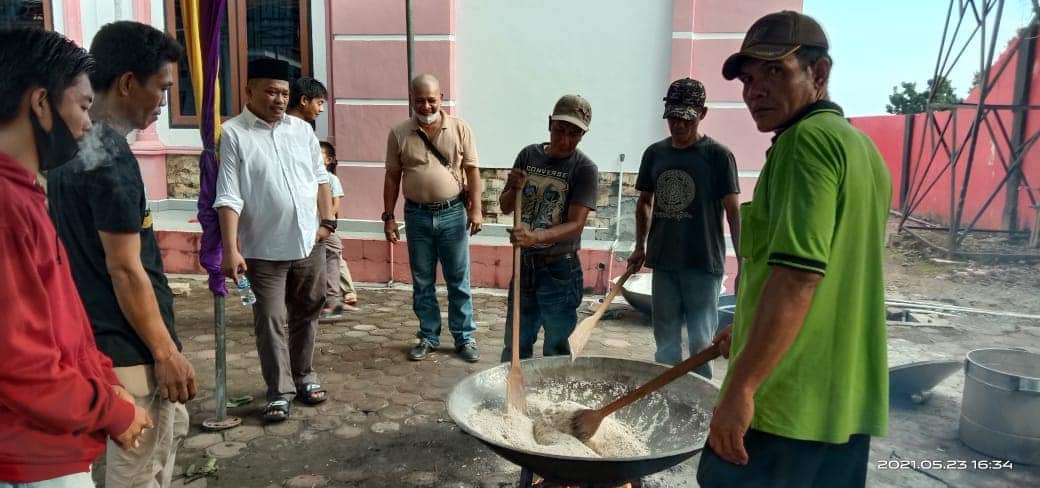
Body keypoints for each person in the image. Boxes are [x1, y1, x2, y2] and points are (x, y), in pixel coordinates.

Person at [697, 11, 890, 487]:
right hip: (842, 407)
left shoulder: (803, 143)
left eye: (774, 71)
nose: (754, 90)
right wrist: (746, 330)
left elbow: (799, 278)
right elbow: (830, 272)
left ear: (818, 73)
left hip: (784, 403)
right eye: (747, 78)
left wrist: (742, 386)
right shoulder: (861, 150)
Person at [0, 27, 150, 487]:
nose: (88, 123)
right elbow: (18, 359)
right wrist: (109, 408)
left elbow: (59, 324)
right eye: (83, 106)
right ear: (41, 103)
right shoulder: (6, 206)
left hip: (54, 440)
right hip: (31, 453)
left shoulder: (25, 193)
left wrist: (104, 380)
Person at [47, 21, 193, 488]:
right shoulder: (111, 160)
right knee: (138, 472)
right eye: (162, 88)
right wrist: (165, 351)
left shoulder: (68, 149)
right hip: (129, 350)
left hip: (92, 340)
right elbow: (126, 269)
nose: (165, 101)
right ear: (129, 83)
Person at [215, 57, 335, 422]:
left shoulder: (301, 131)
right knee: (269, 319)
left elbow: (320, 179)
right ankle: (278, 390)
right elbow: (229, 195)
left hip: (308, 244)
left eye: (284, 92)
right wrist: (231, 248)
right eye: (270, 91)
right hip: (262, 252)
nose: (279, 99)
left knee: (309, 310)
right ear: (249, 90)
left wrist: (327, 223)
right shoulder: (234, 133)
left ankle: (304, 375)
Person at [627, 78, 740, 378]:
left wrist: (744, 263)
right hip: (664, 262)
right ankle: (667, 400)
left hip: (703, 264)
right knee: (665, 344)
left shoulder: (718, 156)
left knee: (702, 343)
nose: (678, 125)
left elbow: (733, 212)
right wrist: (640, 247)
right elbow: (644, 202)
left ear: (702, 113)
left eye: (685, 119)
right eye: (673, 118)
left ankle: (699, 407)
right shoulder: (655, 154)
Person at [382, 74, 483, 362]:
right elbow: (391, 177)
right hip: (417, 217)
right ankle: (428, 336)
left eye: (431, 99)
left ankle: (464, 338)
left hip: (453, 214)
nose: (426, 106)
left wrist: (475, 209)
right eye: (420, 100)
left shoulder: (460, 128)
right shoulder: (400, 132)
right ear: (411, 98)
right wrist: (388, 217)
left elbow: (473, 171)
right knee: (422, 280)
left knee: (458, 280)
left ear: (442, 97)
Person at [498, 94, 599, 361]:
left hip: (560, 269)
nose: (565, 140)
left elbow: (576, 225)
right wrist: (514, 187)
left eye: (574, 134)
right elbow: (506, 206)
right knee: (516, 344)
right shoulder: (528, 155)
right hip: (525, 264)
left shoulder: (585, 169)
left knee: (557, 347)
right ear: (549, 123)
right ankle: (512, 397)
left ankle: (548, 401)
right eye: (560, 130)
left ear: (583, 135)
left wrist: (536, 237)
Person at [318, 140, 360, 318]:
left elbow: (335, 205)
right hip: (314, 227)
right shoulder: (309, 176)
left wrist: (326, 221)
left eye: (318, 154)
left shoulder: (331, 179)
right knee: (332, 258)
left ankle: (335, 300)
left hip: (325, 227)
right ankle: (334, 301)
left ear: (328, 160)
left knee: (333, 257)